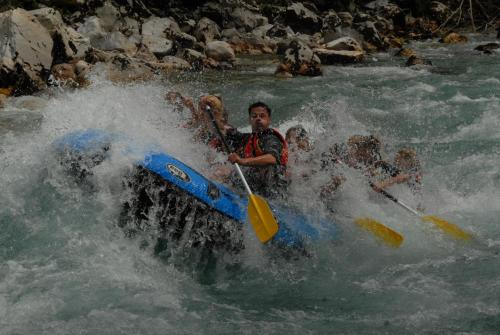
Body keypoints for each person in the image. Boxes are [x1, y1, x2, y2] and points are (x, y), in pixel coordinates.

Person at [224, 102, 289, 199]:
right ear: (250, 120)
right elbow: (222, 127)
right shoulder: (247, 138)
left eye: (262, 116)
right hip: (253, 186)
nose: (258, 118)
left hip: (273, 191)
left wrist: (242, 161)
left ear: (269, 120)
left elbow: (272, 158)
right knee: (223, 171)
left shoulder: (271, 138)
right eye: (254, 116)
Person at [165, 91, 230, 151]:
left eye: (202, 109)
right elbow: (197, 120)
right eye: (200, 108)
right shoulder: (205, 126)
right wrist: (191, 107)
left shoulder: (227, 133)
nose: (200, 112)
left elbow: (198, 120)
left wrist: (191, 107)